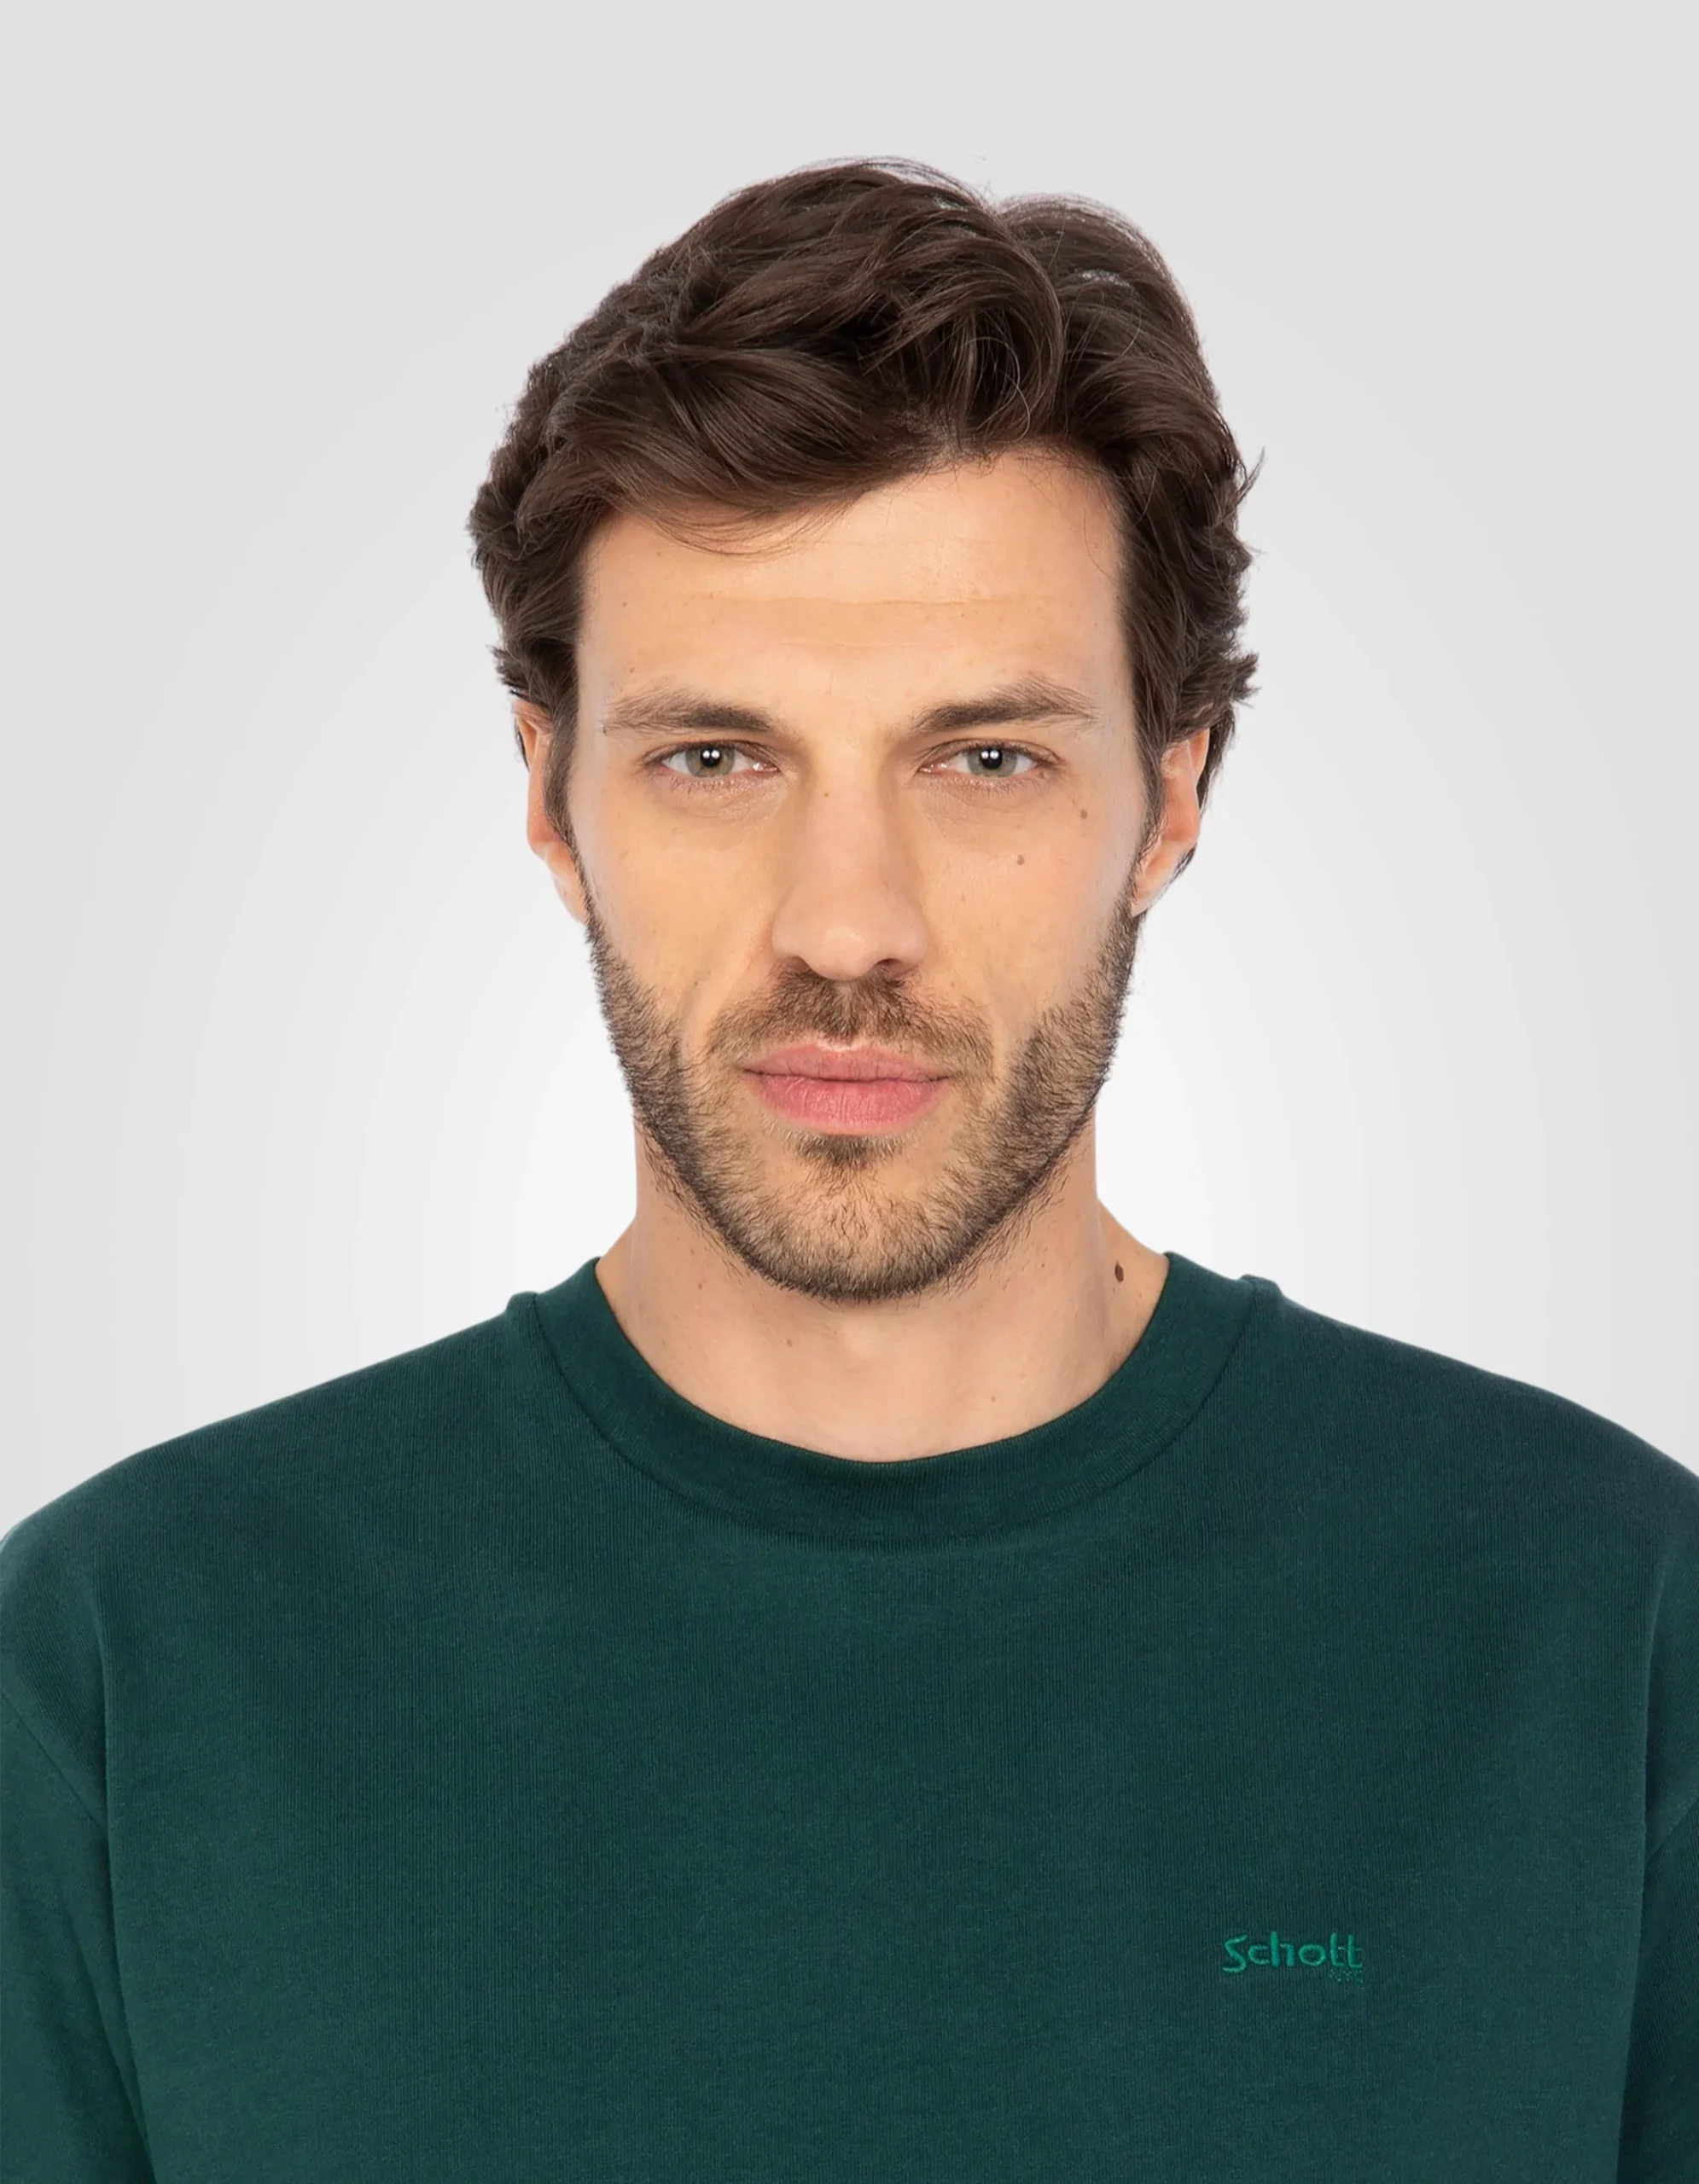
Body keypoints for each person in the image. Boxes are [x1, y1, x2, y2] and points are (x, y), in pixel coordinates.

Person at [3, 158, 1694, 2183]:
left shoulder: (1601, 1626)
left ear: (1168, 799)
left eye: (982, 758)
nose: (844, 922)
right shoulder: (128, 1673)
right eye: (716, 758)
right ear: (550, 799)